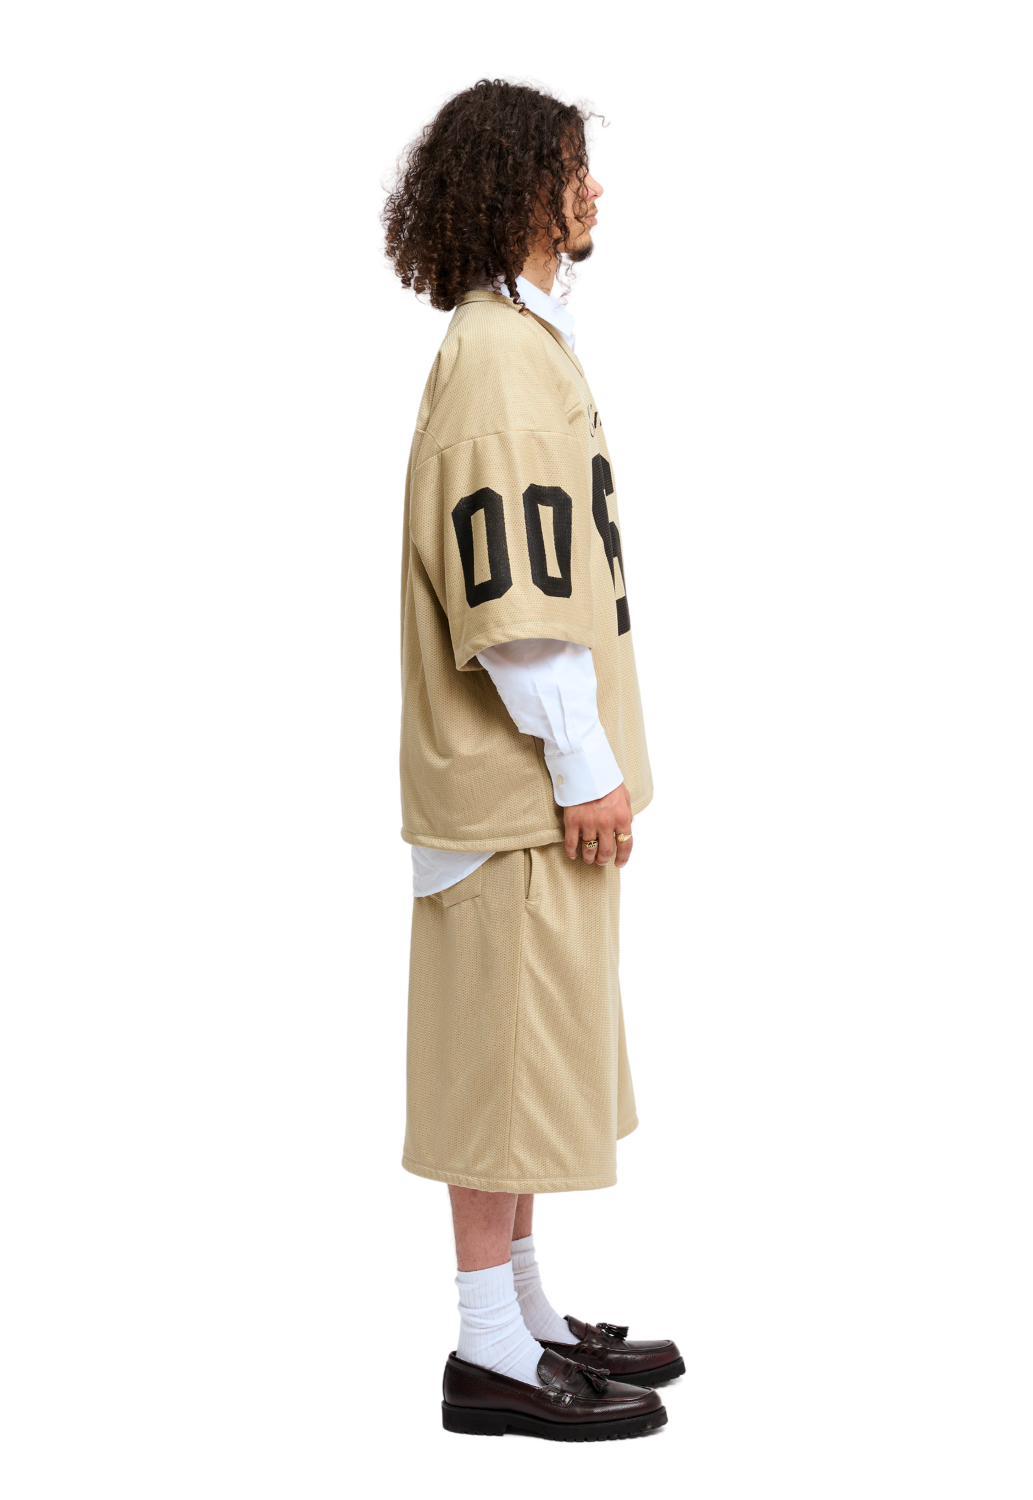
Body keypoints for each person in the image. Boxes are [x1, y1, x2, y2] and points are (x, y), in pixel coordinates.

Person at [384, 78, 682, 1441]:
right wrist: (581, 762)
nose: (593, 188)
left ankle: (524, 1314)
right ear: (523, 189)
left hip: (520, 794)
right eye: (573, 167)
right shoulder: (501, 357)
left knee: (520, 1062)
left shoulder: (512, 339)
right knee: (498, 1067)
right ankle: (489, 1355)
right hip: (514, 793)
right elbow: (513, 601)